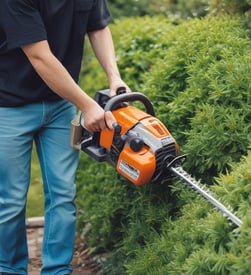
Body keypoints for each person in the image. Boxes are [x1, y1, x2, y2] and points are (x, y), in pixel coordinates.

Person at [0, 1, 130, 274]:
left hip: (60, 104)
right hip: (9, 105)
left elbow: (98, 27)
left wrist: (114, 77)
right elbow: (39, 56)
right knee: (11, 200)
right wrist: (87, 105)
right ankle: (10, 269)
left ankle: (58, 270)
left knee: (63, 194)